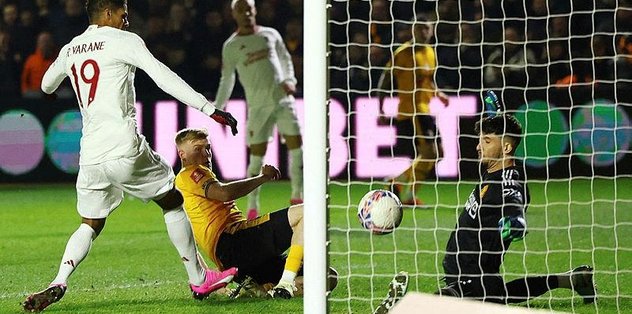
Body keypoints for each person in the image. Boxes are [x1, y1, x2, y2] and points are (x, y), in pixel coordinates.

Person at [22, 0, 239, 311]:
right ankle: (199, 278)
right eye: (123, 11)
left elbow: (45, 84)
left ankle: (59, 280)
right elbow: (162, 76)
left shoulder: (72, 48)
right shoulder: (125, 40)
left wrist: (62, 83)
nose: (127, 17)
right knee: (172, 201)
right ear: (108, 12)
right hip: (123, 147)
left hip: (92, 156)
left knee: (90, 223)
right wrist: (209, 108)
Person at [373, 113, 596, 313]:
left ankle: (402, 308)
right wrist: (494, 113)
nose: (479, 147)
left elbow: (513, 199)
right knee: (498, 295)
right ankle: (573, 279)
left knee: (452, 301)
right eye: (480, 140)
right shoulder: (496, 169)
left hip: (475, 271)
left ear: (506, 148)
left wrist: (516, 219)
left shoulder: (508, 180)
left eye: (486, 141)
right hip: (466, 268)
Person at [174, 128, 304, 299]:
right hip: (234, 242)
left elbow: (186, 240)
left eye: (208, 148)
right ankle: (286, 283)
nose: (206, 155)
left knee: (326, 277)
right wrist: (262, 177)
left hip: (239, 258)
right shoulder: (190, 174)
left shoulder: (189, 189)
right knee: (307, 212)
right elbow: (224, 193)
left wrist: (203, 278)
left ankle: (264, 289)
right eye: (198, 149)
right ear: (182, 154)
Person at [214, 0, 304, 220]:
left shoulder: (270, 34)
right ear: (233, 14)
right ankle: (253, 205)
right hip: (258, 107)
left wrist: (290, 79)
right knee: (256, 159)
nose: (246, 13)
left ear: (254, 11)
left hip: (282, 100)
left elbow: (284, 58)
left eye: (249, 9)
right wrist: (217, 107)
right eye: (240, 10)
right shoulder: (232, 46)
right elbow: (227, 79)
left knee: (297, 148)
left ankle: (296, 196)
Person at [377, 14, 449, 206]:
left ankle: (399, 182)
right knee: (429, 153)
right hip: (412, 111)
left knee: (438, 153)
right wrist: (380, 107)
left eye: (427, 28)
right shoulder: (403, 53)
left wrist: (439, 94)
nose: (423, 32)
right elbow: (385, 79)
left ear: (432, 31)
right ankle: (406, 193)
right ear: (413, 30)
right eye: (419, 28)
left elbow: (429, 80)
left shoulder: (430, 52)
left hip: (426, 110)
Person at [21, 31, 56, 98]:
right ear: (38, 44)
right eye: (43, 41)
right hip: (35, 93)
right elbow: (24, 79)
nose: (46, 44)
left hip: (54, 92)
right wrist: (24, 90)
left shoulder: (58, 59)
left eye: (48, 41)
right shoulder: (31, 60)